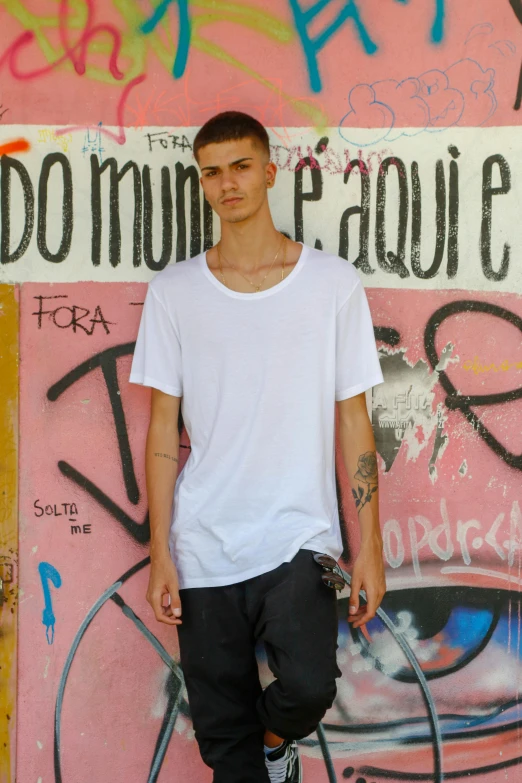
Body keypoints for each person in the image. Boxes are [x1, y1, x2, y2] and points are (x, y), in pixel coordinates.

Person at [129, 111, 387, 783]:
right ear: (202, 183)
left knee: (306, 684)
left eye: (240, 166)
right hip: (204, 543)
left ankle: (278, 740)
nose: (226, 183)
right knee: (224, 744)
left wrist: (371, 547)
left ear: (270, 172)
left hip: (298, 536)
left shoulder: (332, 285)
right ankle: (256, 756)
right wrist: (160, 551)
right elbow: (162, 427)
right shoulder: (175, 293)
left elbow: (354, 418)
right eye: (211, 171)